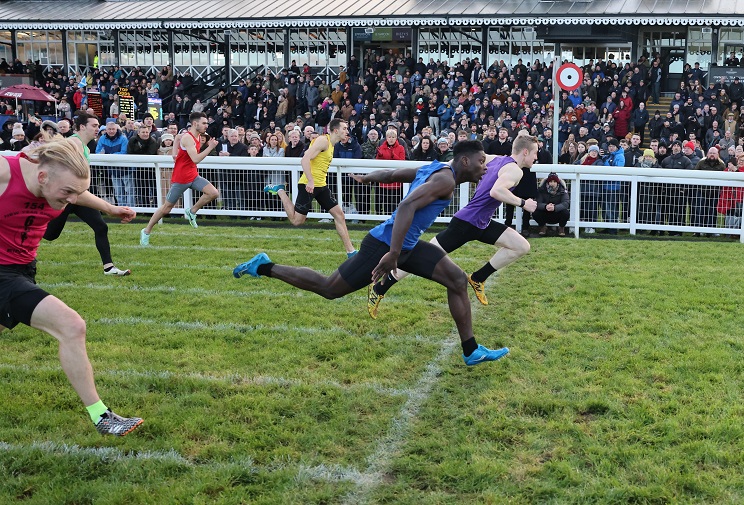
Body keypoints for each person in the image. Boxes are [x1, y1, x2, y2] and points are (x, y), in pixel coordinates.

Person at [234, 140, 511, 366]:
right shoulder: (445, 181)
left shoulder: (437, 168)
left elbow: (392, 175)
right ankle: (264, 266)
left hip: (405, 246)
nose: (484, 168)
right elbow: (406, 208)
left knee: (457, 280)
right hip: (384, 246)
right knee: (329, 288)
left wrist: (366, 178)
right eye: (481, 162)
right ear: (465, 161)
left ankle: (470, 350)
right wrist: (392, 253)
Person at [0, 138, 142, 435]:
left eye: (75, 193)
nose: (70, 200)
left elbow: (77, 193)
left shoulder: (64, 186)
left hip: (24, 268)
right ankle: (101, 415)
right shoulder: (5, 173)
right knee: (71, 326)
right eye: (66, 193)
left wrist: (110, 208)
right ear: (42, 177)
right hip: (2, 273)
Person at [366, 133, 538, 317]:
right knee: (420, 257)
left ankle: (478, 278)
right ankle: (380, 288)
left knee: (521, 246)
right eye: (535, 153)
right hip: (465, 223)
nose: (536, 157)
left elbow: (468, 161)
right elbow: (497, 191)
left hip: (481, 223)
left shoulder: (495, 159)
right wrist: (523, 203)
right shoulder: (515, 171)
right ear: (525, 152)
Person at [43, 112, 131, 276]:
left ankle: (109, 267)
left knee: (100, 226)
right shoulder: (74, 143)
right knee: (49, 235)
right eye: (95, 125)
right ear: (82, 127)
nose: (98, 129)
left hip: (77, 196)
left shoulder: (84, 146)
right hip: (66, 197)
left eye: (98, 126)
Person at [263, 118, 357, 257]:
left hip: (321, 186)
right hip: (308, 185)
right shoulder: (323, 141)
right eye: (344, 128)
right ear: (335, 130)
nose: (347, 131)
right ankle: (281, 191)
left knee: (339, 215)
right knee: (296, 221)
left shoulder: (332, 144)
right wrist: (311, 181)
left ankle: (351, 252)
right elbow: (305, 159)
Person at [140, 112, 219, 245]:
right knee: (166, 208)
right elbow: (196, 159)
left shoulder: (197, 135)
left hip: (193, 176)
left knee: (213, 193)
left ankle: (191, 211)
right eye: (204, 123)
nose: (207, 125)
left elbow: (177, 138)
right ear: (195, 123)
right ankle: (146, 231)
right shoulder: (188, 138)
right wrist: (210, 148)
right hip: (181, 178)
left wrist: (174, 153)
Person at [534, 172, 570, 236]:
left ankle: (561, 227)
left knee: (566, 213)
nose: (552, 184)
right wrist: (545, 206)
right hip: (545, 212)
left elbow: (566, 203)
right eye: (550, 181)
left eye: (554, 182)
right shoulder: (541, 190)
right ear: (547, 182)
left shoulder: (563, 191)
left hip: (557, 213)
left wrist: (555, 208)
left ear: (557, 182)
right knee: (535, 212)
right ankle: (542, 226)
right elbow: (537, 203)